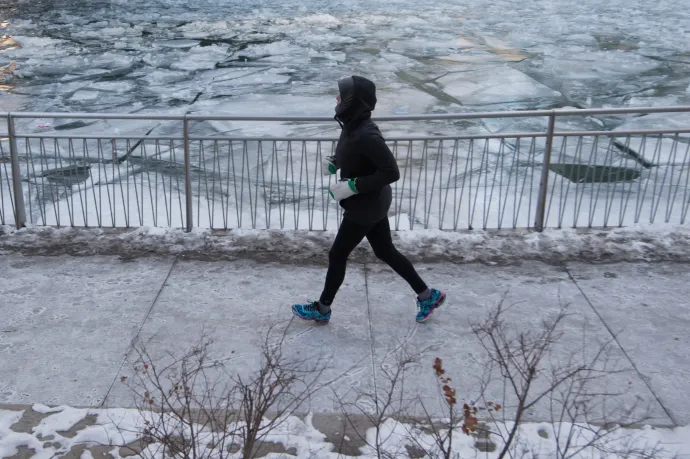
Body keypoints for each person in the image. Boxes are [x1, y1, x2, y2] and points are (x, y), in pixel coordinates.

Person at [292, 75, 446, 325]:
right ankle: (427, 295)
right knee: (385, 250)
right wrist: (336, 162)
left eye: (341, 95)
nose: (336, 98)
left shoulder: (366, 134)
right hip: (372, 203)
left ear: (353, 101)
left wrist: (354, 185)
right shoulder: (351, 125)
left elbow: (391, 172)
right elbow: (353, 152)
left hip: (365, 207)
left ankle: (322, 308)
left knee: (337, 254)